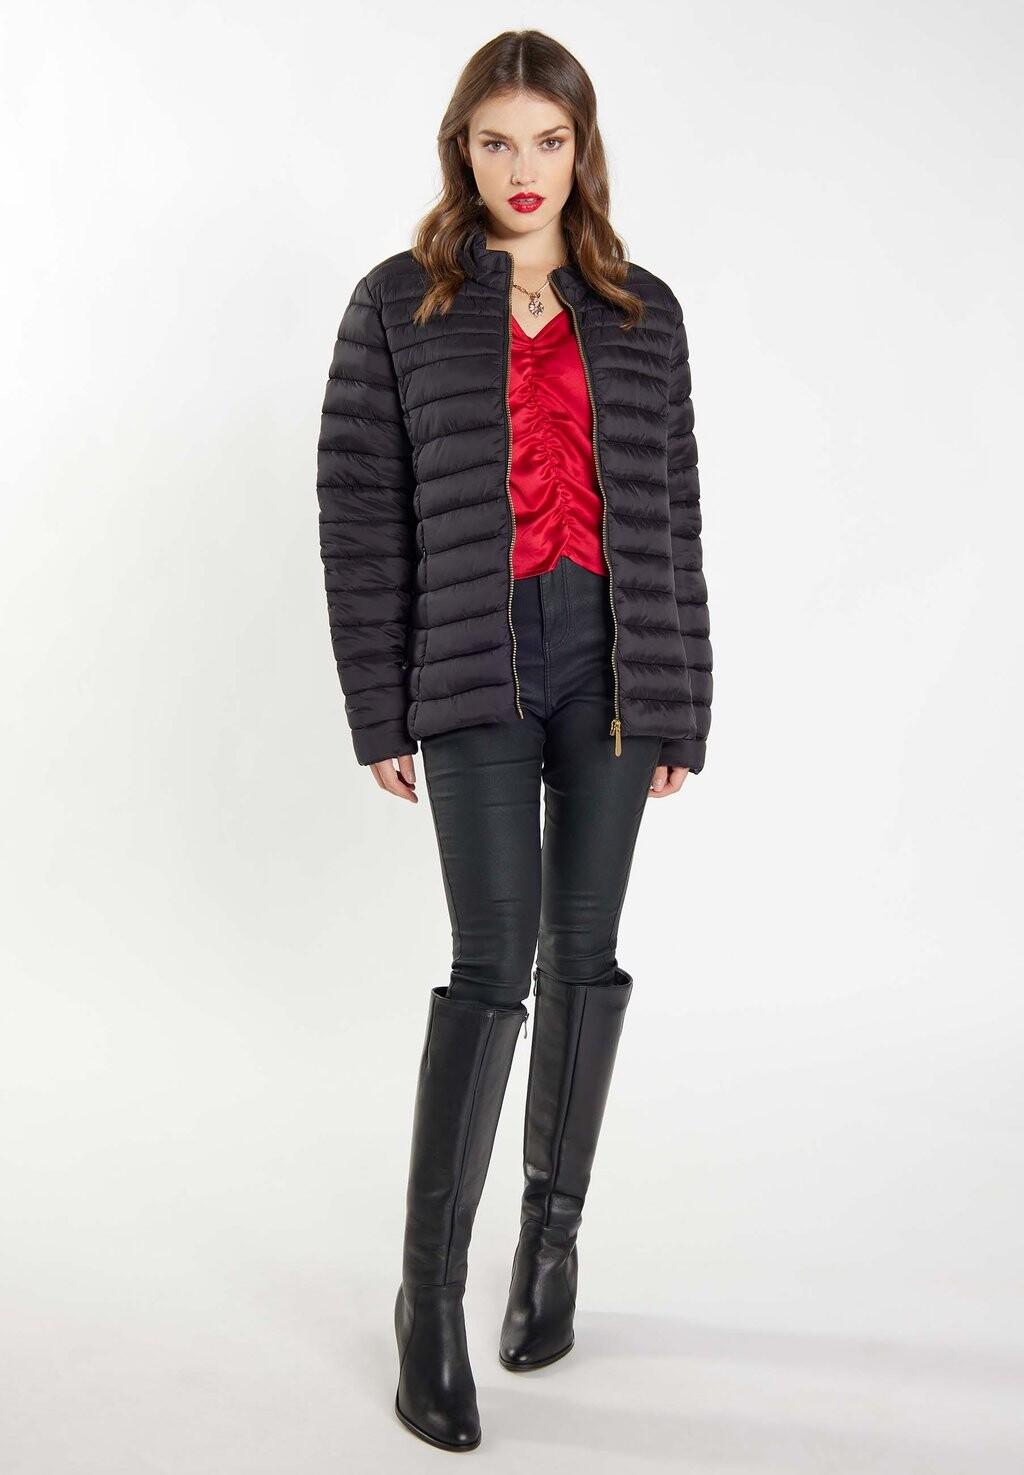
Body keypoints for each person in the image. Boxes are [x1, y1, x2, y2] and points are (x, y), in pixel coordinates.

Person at [316, 29, 712, 1453]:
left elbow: (674, 514)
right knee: (493, 964)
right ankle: (428, 1300)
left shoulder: (644, 311)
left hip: (613, 670)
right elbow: (360, 517)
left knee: (584, 957)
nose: (523, 169)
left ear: (581, 148)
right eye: (497, 142)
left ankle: (551, 1247)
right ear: (461, 150)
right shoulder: (398, 304)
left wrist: (682, 699)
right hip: (474, 667)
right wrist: (380, 707)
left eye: (548, 141)